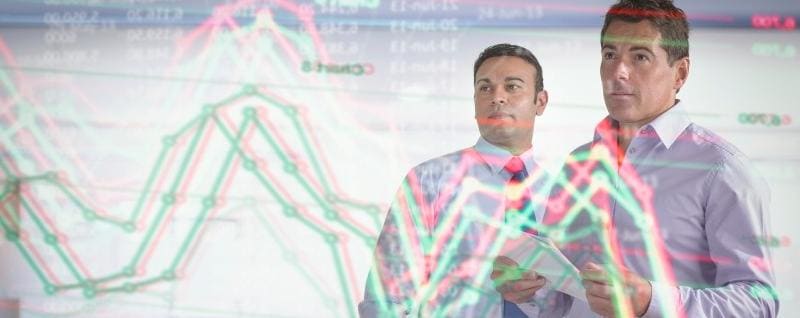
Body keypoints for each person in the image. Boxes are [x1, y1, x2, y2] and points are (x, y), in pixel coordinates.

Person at [493, 0, 779, 317]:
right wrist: (527, 290)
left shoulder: (721, 170)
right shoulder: (578, 165)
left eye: (640, 57)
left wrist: (651, 301)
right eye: (610, 55)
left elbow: (759, 303)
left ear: (680, 72)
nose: (619, 72)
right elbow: (560, 299)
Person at [358, 43, 554, 317]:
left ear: (540, 101)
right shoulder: (430, 180)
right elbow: (387, 296)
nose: (497, 97)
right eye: (485, 88)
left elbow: (569, 301)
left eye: (512, 86)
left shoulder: (558, 193)